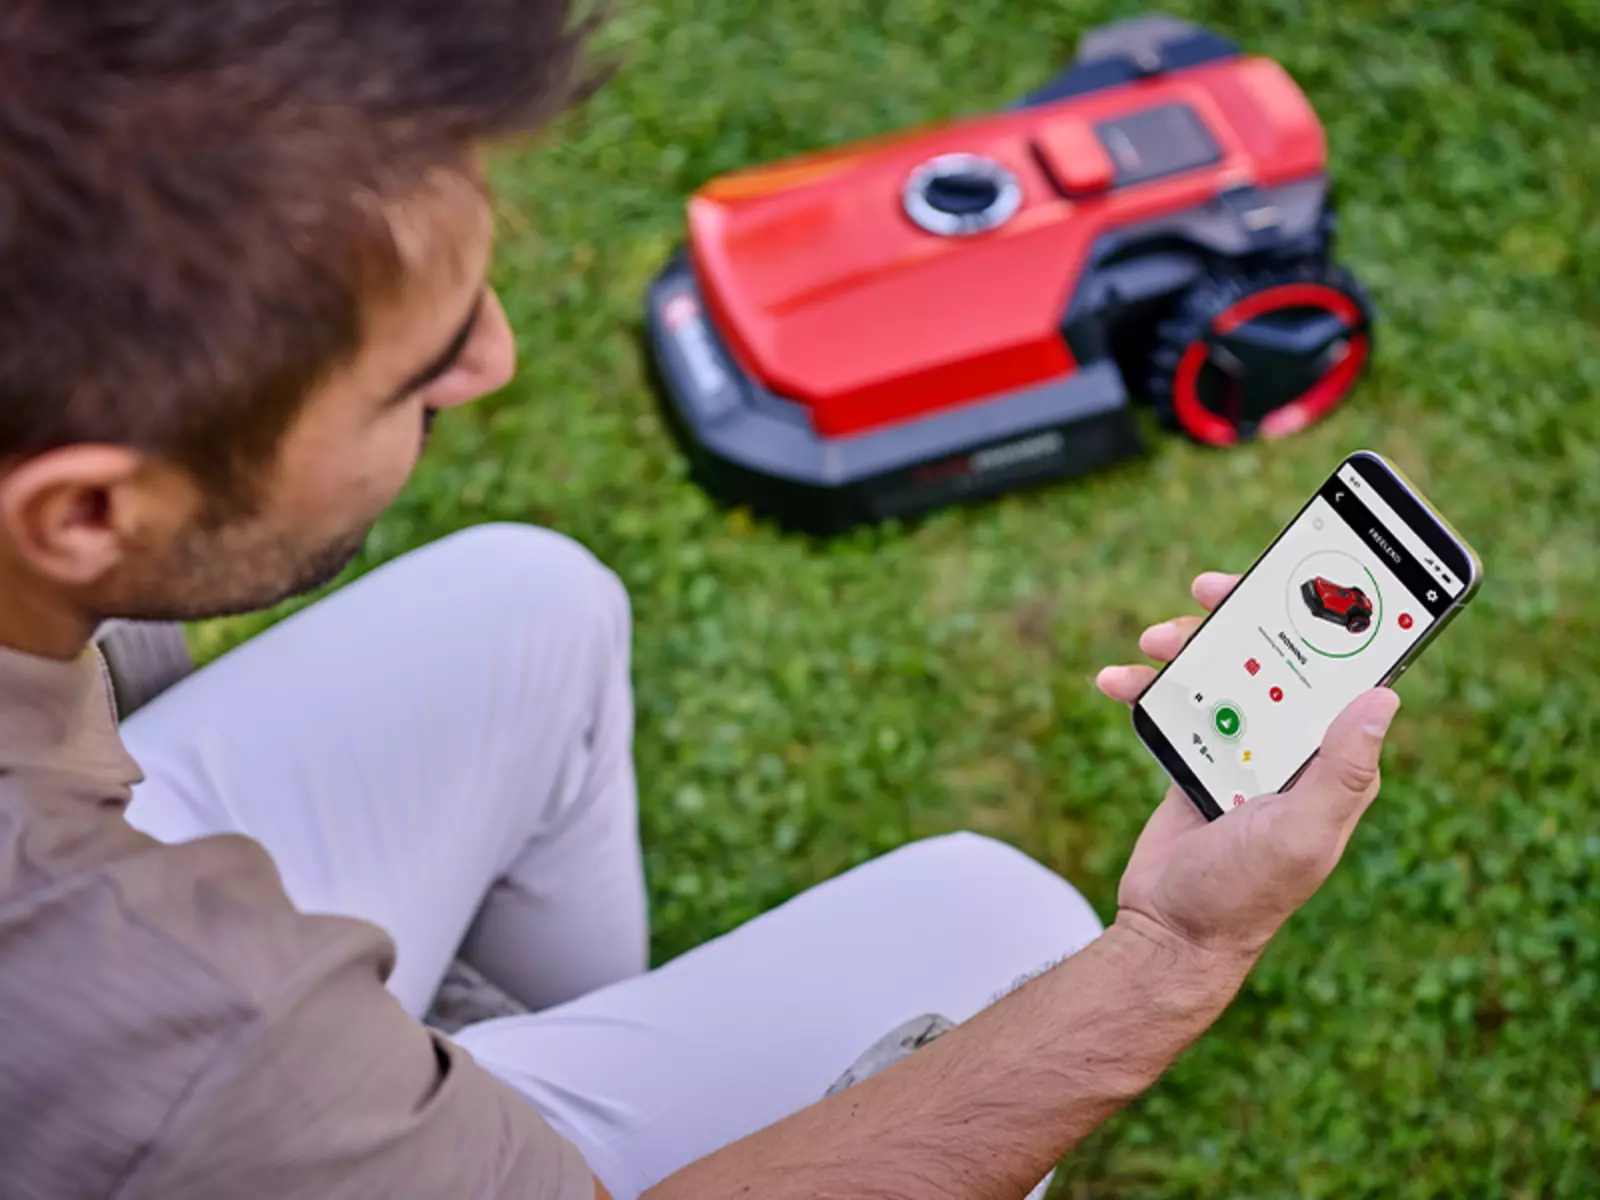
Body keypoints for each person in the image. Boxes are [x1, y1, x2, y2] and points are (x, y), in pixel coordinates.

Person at [0, 4, 1400, 1198]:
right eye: (412, 364)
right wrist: (1175, 953)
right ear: (88, 515)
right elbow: (165, 1031)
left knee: (530, 603)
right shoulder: (165, 1023)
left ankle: (497, 1073)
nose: (493, 361)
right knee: (1003, 928)